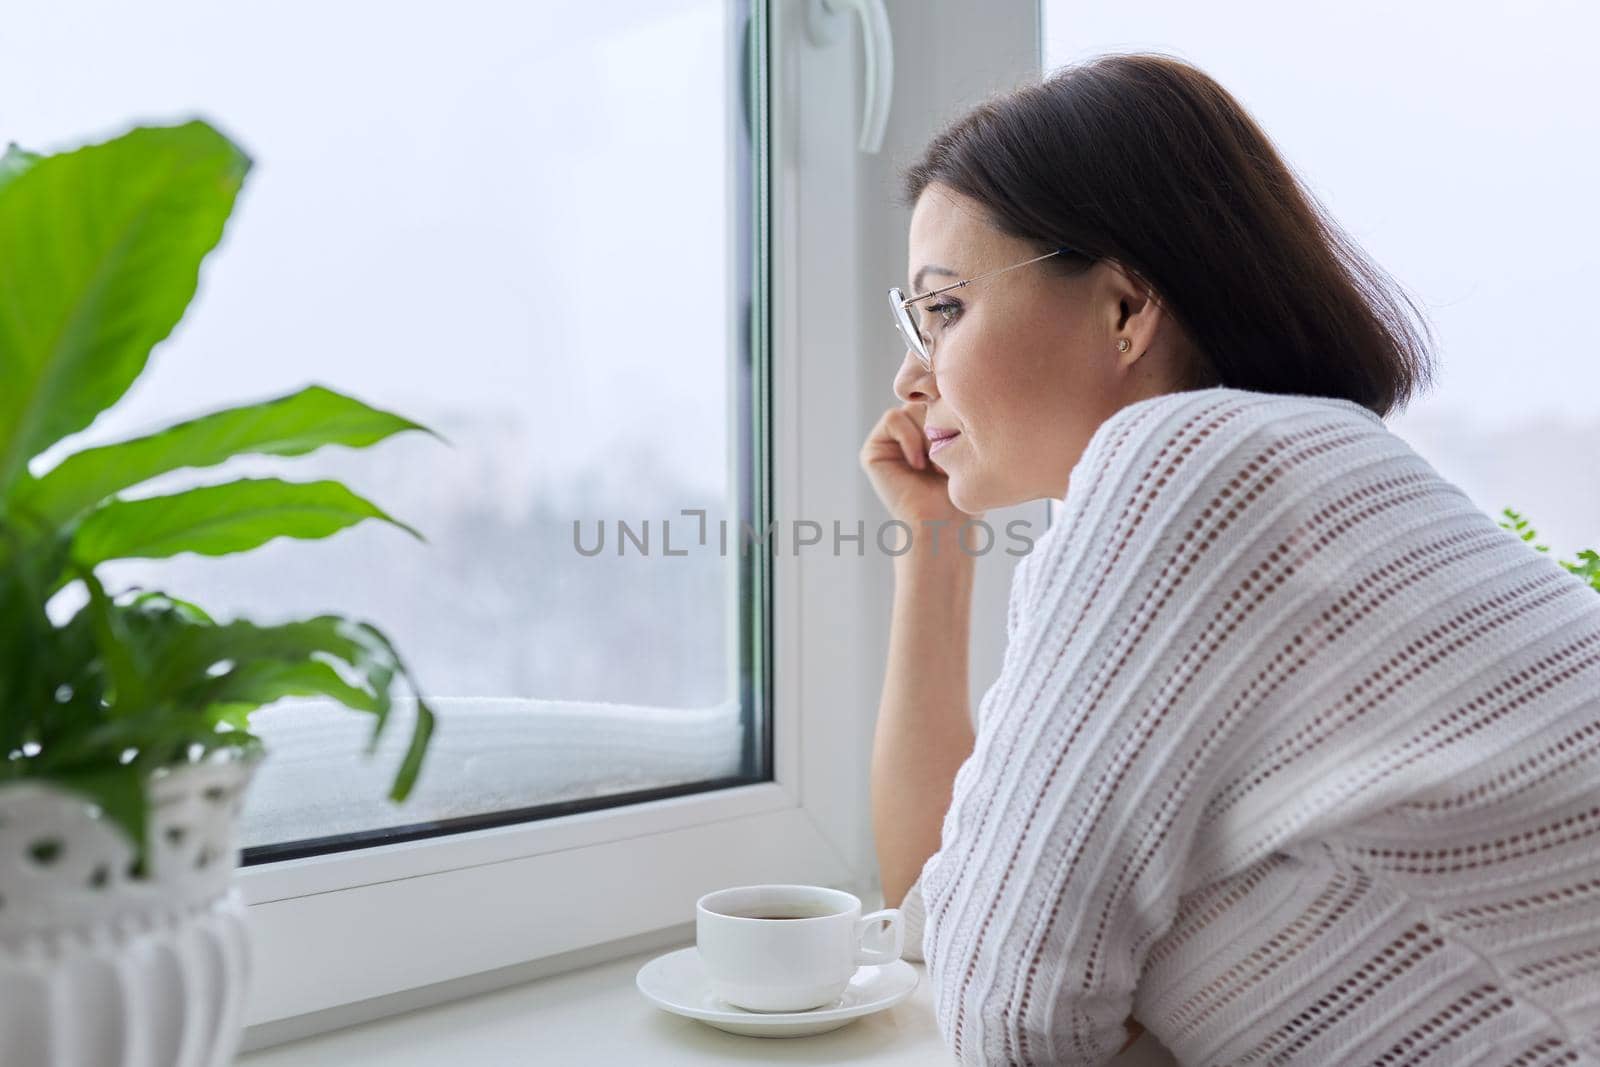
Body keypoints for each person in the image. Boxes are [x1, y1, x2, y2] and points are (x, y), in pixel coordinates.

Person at [860, 52, 1600, 1066]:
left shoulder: (1185, 464)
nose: (910, 374)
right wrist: (936, 546)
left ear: (1123, 307)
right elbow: (932, 905)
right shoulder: (1307, 468)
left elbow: (1005, 1010)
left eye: (943, 309)